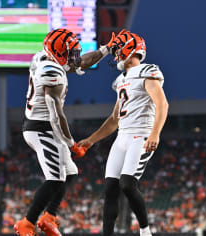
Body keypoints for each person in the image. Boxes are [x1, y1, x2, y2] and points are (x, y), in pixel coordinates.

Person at [13, 28, 122, 236]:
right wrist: (72, 144)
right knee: (54, 179)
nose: (75, 57)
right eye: (71, 52)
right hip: (41, 129)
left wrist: (107, 49)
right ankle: (27, 223)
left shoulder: (46, 58)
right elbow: (56, 117)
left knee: (70, 173)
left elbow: (82, 62)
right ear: (59, 51)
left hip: (46, 126)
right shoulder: (51, 72)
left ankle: (49, 217)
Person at [78, 30, 169, 236]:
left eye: (118, 48)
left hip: (141, 134)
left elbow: (162, 104)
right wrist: (91, 141)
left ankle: (145, 231)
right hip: (123, 137)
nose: (115, 53)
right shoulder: (121, 80)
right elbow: (114, 120)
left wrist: (155, 133)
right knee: (111, 189)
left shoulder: (147, 71)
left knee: (127, 184)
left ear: (129, 48)